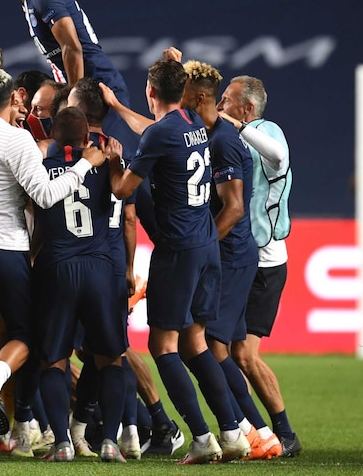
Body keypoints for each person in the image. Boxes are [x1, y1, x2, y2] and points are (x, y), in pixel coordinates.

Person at [0, 24, 105, 461]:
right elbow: (47, 196)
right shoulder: (19, 140)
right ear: (14, 101)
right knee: (25, 336)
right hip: (5, 248)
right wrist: (85, 166)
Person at [103, 58, 250, 464]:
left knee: (162, 346)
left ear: (151, 93)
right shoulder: (195, 124)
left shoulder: (160, 134)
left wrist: (115, 161)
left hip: (179, 250)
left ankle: (202, 438)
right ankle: (233, 431)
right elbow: (153, 132)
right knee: (195, 341)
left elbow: (120, 189)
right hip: (207, 245)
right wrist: (117, 106)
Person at [68, 77, 184, 458]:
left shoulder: (76, 156)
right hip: (116, 261)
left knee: (108, 350)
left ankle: (151, 423)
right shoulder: (122, 154)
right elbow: (131, 217)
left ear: (81, 113)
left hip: (86, 261)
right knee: (101, 349)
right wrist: (129, 268)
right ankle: (127, 428)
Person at [31, 106, 130, 463]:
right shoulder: (103, 163)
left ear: (54, 137)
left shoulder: (41, 169)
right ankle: (109, 442)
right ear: (87, 135)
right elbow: (120, 194)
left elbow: (38, 222)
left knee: (53, 360)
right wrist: (116, 161)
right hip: (100, 268)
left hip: (56, 266)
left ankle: (61, 444)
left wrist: (30, 257)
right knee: (110, 358)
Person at [0, 0, 140, 158]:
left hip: (101, 94)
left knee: (118, 166)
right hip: (86, 93)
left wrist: (73, 105)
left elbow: (72, 47)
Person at [217, 76, 301, 458]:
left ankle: (283, 433)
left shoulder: (266, 131)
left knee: (244, 354)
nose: (220, 106)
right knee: (227, 350)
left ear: (247, 109)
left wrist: (239, 128)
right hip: (239, 258)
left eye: (226, 100)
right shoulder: (230, 135)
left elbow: (279, 158)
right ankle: (251, 430)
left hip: (265, 260)